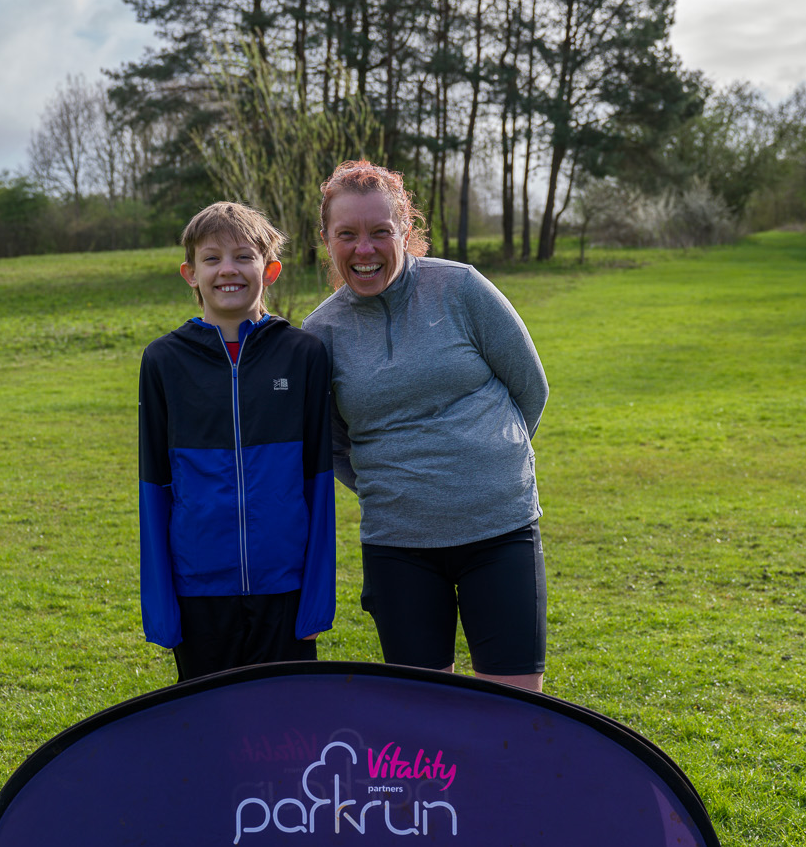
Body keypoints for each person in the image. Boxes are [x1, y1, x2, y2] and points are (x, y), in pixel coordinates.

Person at [302, 161, 550, 692]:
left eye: (379, 231)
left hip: (499, 531)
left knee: (516, 709)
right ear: (328, 239)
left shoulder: (461, 288)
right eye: (347, 234)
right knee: (426, 716)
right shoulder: (320, 333)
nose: (363, 249)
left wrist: (489, 465)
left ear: (405, 232)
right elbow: (330, 443)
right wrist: (388, 485)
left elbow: (530, 387)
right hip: (398, 545)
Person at [138, 201, 335, 680]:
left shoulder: (303, 354)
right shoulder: (164, 361)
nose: (228, 270)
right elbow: (153, 489)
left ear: (270, 270)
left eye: (244, 256)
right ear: (190, 273)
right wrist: (163, 609)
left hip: (284, 589)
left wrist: (315, 601)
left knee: (288, 735)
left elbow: (320, 483)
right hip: (198, 591)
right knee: (211, 733)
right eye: (212, 258)